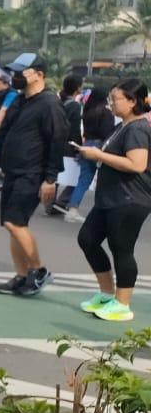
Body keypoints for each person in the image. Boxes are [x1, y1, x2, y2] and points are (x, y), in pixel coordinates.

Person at [0, 52, 68, 297]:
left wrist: (50, 179)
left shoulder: (50, 104)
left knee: (15, 222)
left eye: (21, 72)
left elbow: (57, 141)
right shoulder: (20, 101)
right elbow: (2, 136)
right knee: (12, 226)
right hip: (13, 172)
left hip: (32, 173)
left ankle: (38, 271)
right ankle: (22, 276)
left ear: (39, 74)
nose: (15, 76)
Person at [76, 79, 151, 322]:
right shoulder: (122, 126)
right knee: (87, 239)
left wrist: (98, 154)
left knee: (122, 249)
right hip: (110, 197)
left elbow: (137, 164)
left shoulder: (137, 128)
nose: (111, 103)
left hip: (129, 198)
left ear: (132, 101)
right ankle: (107, 294)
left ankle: (122, 303)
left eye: (115, 99)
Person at [65, 84, 114, 223]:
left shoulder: (88, 112)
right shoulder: (106, 113)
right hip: (100, 147)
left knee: (83, 180)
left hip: (86, 145)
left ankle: (72, 210)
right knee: (106, 180)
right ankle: (103, 213)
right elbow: (107, 133)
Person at [48, 74, 86, 215]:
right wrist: (77, 146)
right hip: (67, 144)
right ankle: (61, 203)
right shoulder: (74, 106)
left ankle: (49, 203)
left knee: (55, 174)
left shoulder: (58, 101)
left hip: (54, 141)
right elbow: (74, 129)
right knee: (72, 175)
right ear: (77, 88)